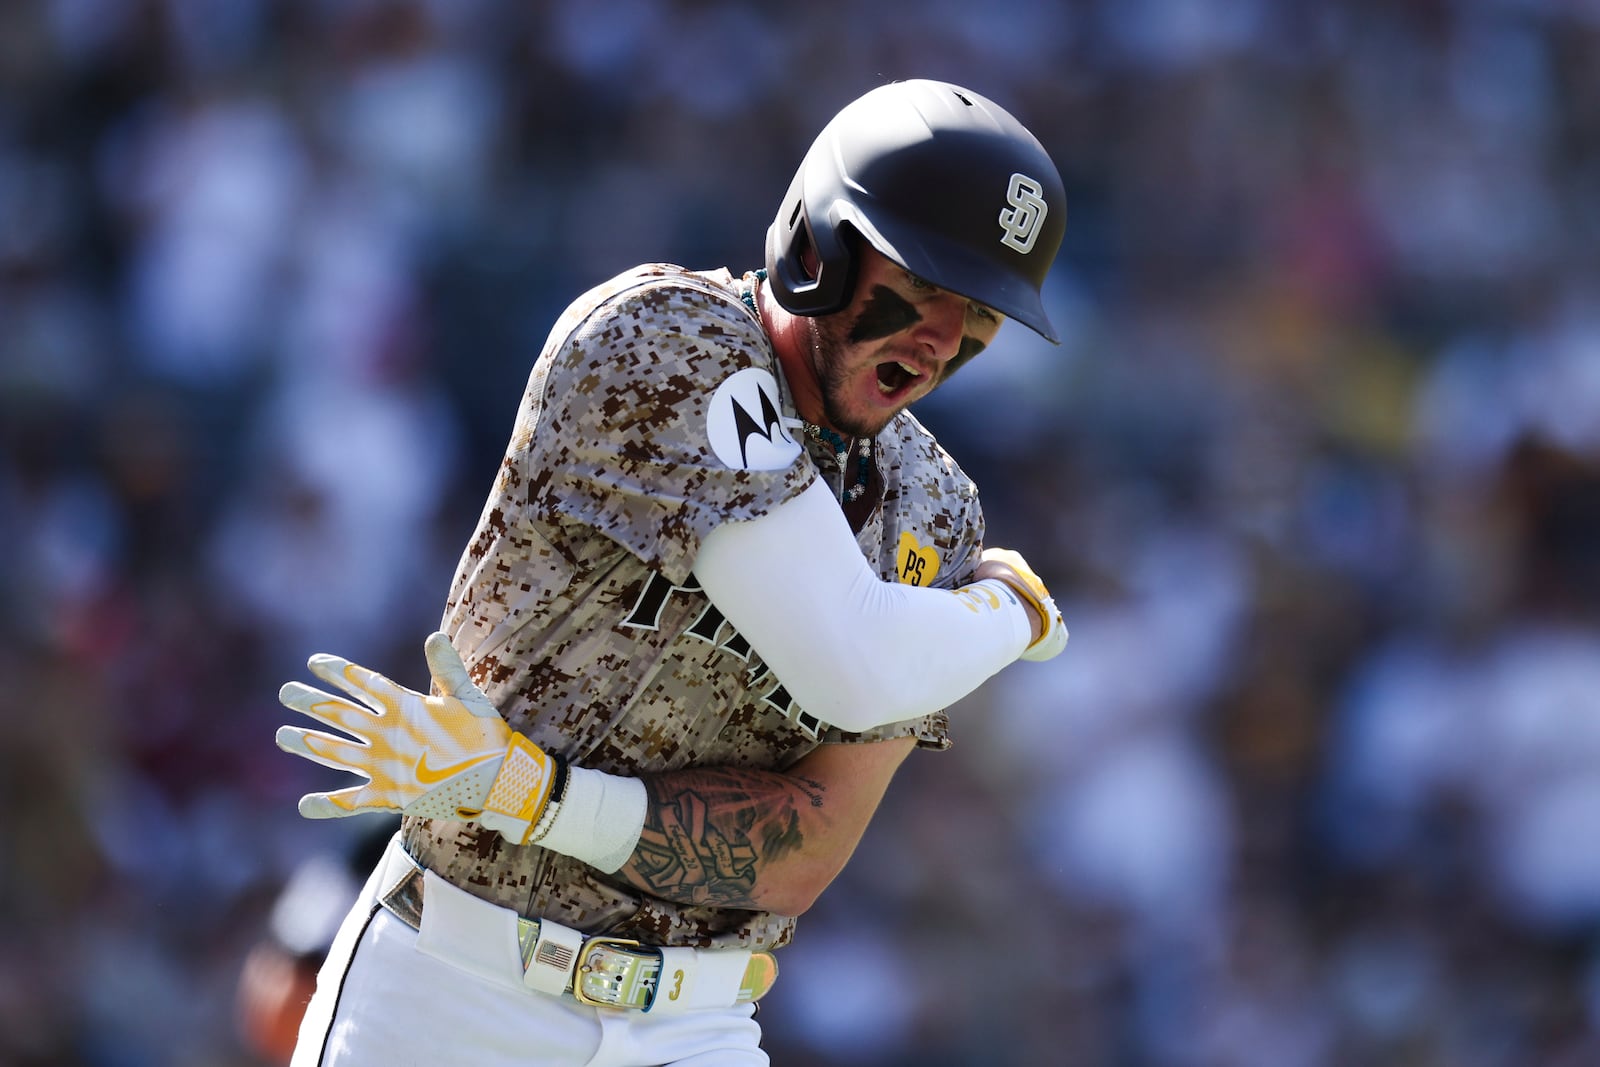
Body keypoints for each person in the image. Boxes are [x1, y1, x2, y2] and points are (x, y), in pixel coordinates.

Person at [274, 78, 1070, 1066]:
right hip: (454, 987)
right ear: (817, 244)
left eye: (981, 308)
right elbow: (850, 661)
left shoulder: (932, 510)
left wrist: (541, 796)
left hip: (691, 1021)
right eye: (929, 280)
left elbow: (806, 844)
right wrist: (1014, 614)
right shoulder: (667, 339)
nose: (946, 336)